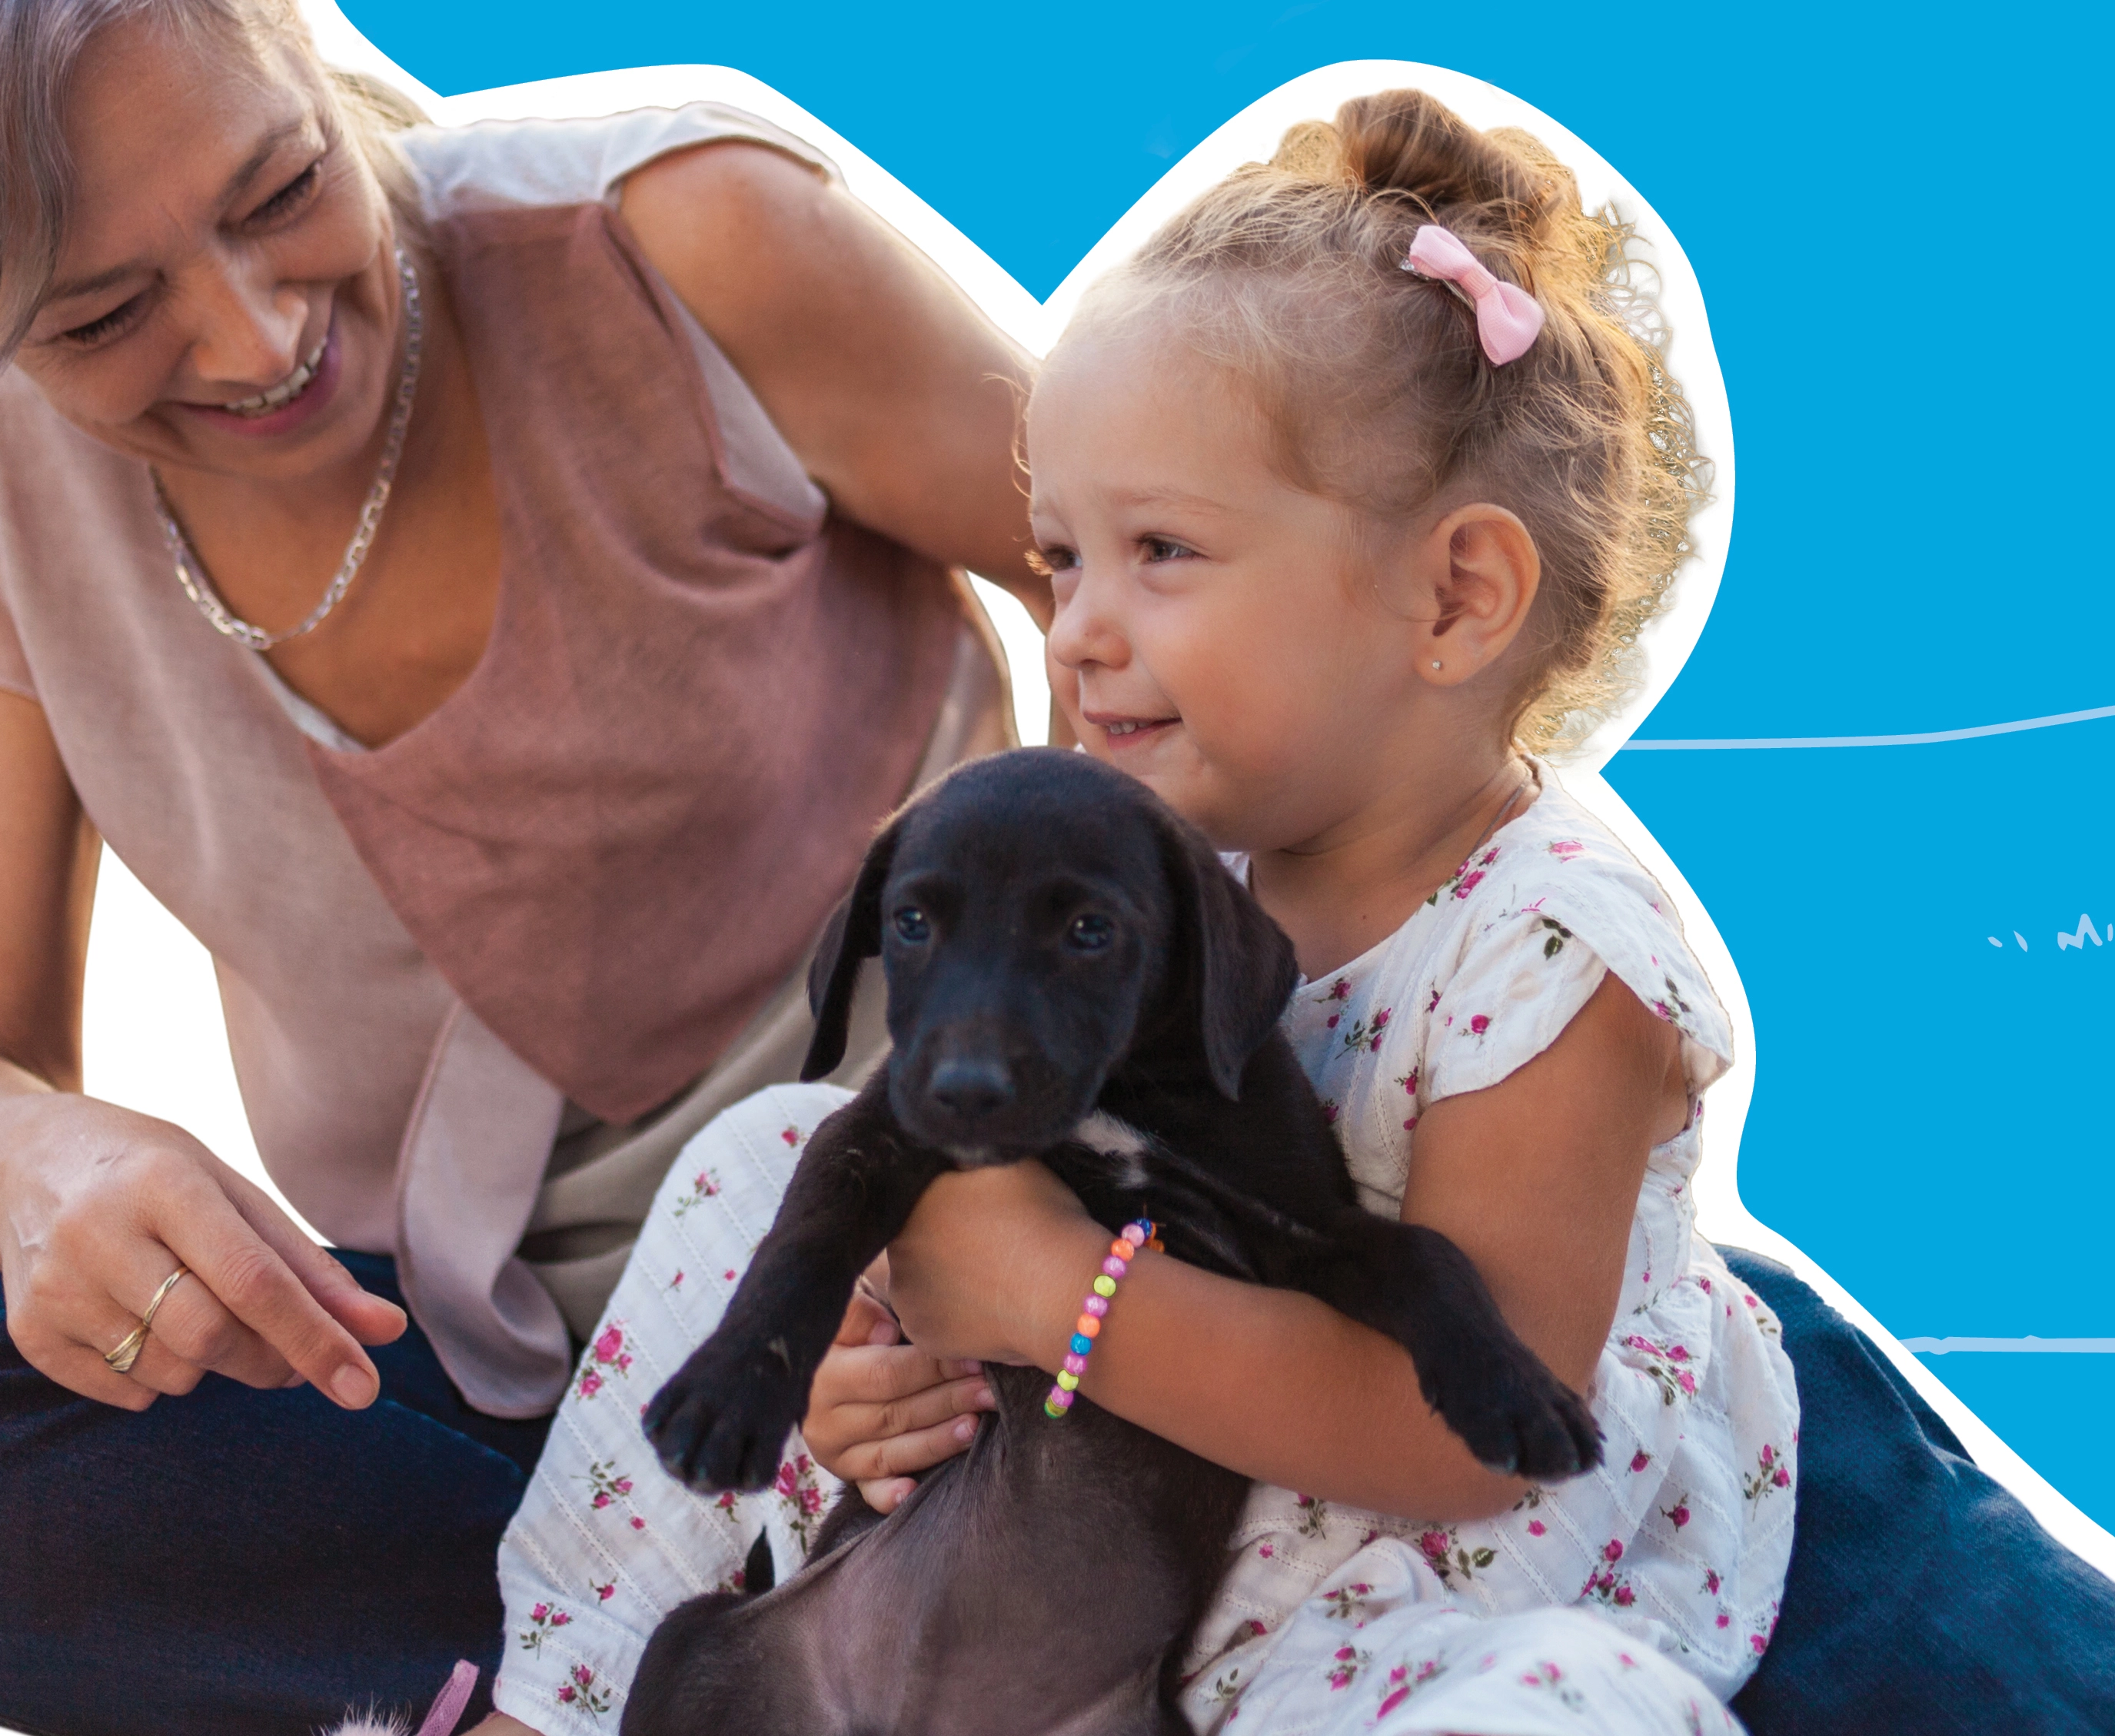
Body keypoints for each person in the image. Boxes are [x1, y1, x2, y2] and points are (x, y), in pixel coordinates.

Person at [0, 0, 1046, 1728]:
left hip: (921, 1300)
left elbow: (1192, 620)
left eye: (278, 191)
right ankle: (715, 1668)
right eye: (106, 314)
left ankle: (624, 1673)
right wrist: (41, 1163)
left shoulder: (680, 241)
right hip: (487, 1390)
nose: (256, 335)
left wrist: (1030, 1180)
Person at [473, 88, 1798, 1736]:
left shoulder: (1553, 954)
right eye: (1057, 561)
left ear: (1453, 596)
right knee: (768, 1163)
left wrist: (1051, 1299)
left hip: (1386, 1612)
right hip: (1057, 1537)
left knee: (1574, 1710)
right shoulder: (1167, 861)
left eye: (1159, 551)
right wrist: (870, 1366)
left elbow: (1458, 1440)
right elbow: (978, 1199)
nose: (1079, 629)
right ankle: (559, 1703)